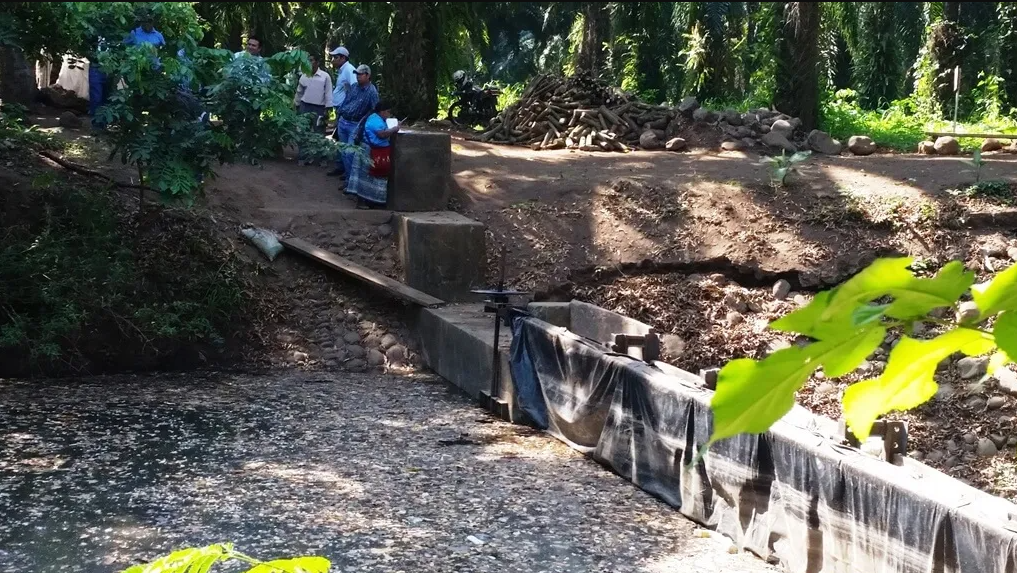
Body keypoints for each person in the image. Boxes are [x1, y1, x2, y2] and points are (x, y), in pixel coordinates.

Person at [333, 64, 379, 189]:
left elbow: (374, 109)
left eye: (360, 74)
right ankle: (349, 180)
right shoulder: (354, 87)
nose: (358, 77)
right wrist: (339, 115)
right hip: (344, 121)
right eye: (357, 74)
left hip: (355, 124)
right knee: (343, 152)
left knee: (350, 153)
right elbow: (346, 101)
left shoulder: (372, 92)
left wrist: (364, 122)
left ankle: (352, 183)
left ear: (368, 75)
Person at [347, 100, 399, 208]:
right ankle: (361, 202)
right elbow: (381, 134)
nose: (389, 115)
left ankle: (372, 201)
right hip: (369, 150)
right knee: (365, 176)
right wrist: (394, 129)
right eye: (388, 112)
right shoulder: (374, 120)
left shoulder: (377, 118)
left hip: (375, 150)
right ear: (382, 111)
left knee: (373, 177)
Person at [293, 53, 334, 165]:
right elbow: (299, 92)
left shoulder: (325, 76)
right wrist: (296, 104)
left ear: (317, 62)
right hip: (305, 106)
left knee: (319, 132)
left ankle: (322, 158)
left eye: (311, 60)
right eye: (308, 60)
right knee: (303, 131)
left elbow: (328, 93)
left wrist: (328, 109)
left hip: (319, 108)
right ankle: (303, 157)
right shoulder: (304, 76)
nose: (309, 63)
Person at [326, 46, 356, 177]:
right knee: (339, 138)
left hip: (344, 110)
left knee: (344, 140)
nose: (333, 60)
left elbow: (354, 88)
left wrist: (347, 106)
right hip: (340, 108)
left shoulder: (349, 70)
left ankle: (346, 170)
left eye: (336, 57)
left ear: (343, 58)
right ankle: (341, 166)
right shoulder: (342, 70)